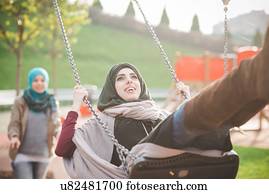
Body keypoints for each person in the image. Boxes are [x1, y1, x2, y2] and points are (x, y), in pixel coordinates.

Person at [55, 26, 269, 178]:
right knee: (182, 122)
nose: (129, 80)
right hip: (133, 176)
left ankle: (255, 80)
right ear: (112, 88)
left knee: (189, 125)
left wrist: (188, 99)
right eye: (120, 78)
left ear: (140, 84)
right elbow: (63, 149)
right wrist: (74, 106)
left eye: (133, 76)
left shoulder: (157, 114)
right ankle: (255, 75)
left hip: (169, 175)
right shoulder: (102, 122)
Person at [8, 67, 61, 179]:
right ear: (30, 81)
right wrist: (14, 136)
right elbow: (14, 123)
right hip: (22, 154)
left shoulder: (52, 102)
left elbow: (56, 125)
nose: (39, 83)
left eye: (43, 80)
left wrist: (60, 132)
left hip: (44, 155)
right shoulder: (21, 101)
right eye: (35, 80)